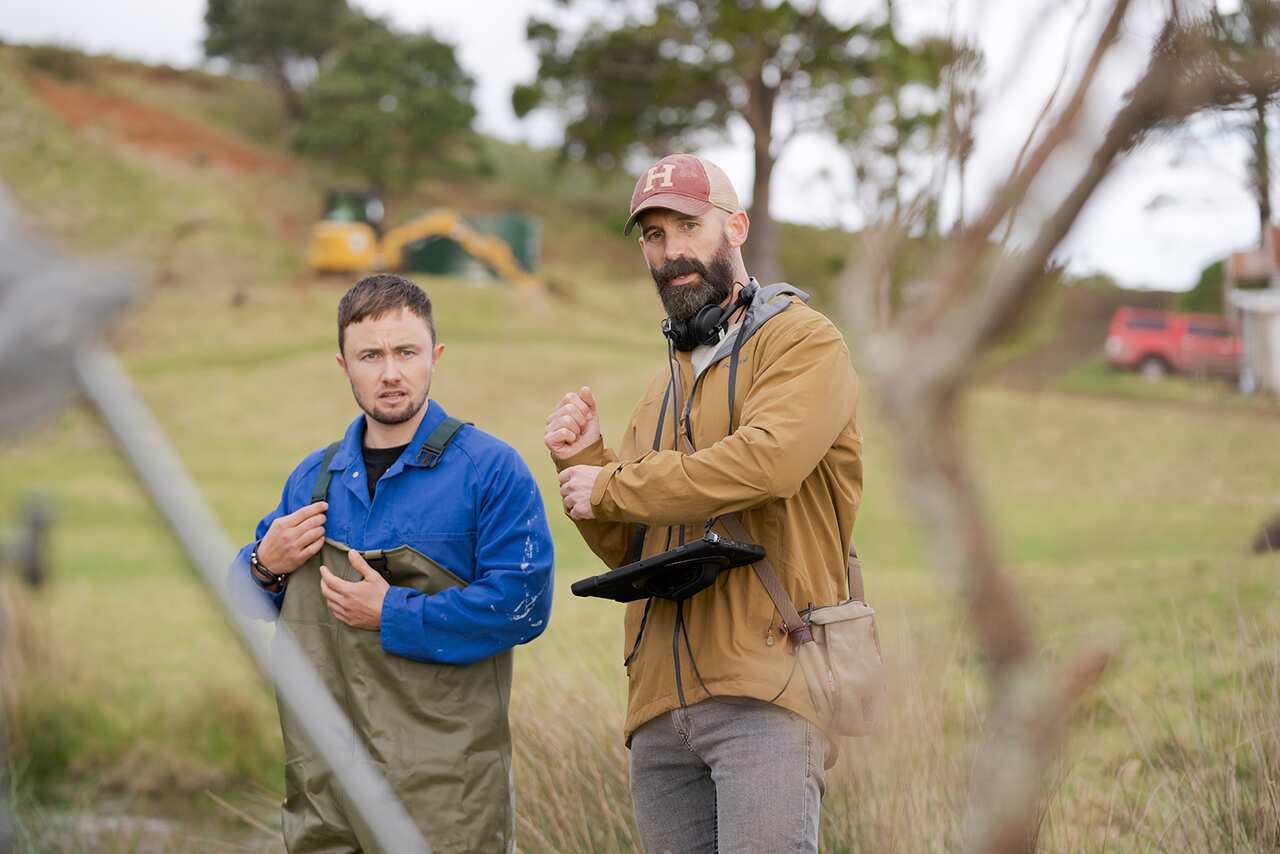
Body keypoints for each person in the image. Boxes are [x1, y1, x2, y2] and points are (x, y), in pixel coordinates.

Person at [546, 153, 862, 853]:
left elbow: (768, 464)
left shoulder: (803, 342)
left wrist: (615, 483)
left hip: (768, 695)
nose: (671, 251)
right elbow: (632, 547)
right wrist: (585, 463)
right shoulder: (661, 391)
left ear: (736, 226)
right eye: (654, 237)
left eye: (688, 226)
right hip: (660, 716)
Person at [232, 273, 554, 853]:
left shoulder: (491, 470)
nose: (390, 372)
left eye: (406, 352)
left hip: (446, 798)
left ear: (435, 355)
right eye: (370, 355)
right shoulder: (313, 479)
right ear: (344, 365)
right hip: (325, 791)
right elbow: (238, 598)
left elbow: (524, 608)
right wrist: (264, 563)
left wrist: (393, 613)